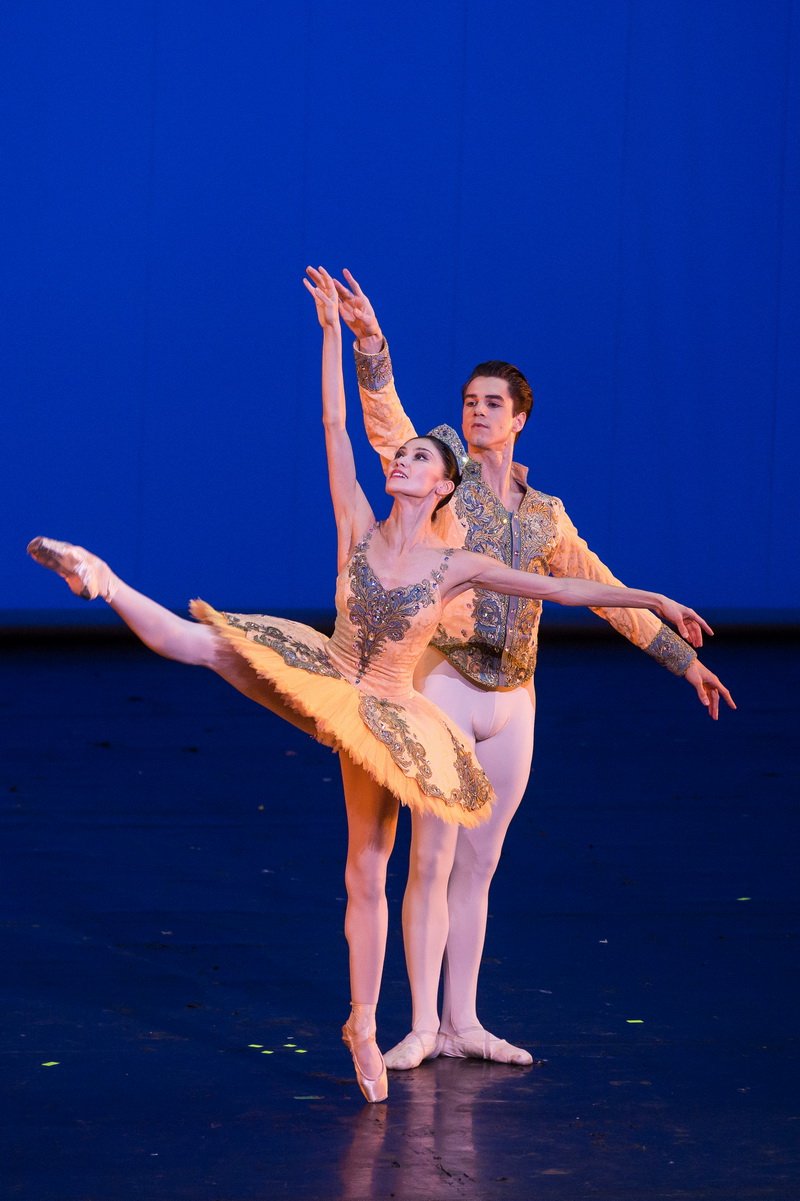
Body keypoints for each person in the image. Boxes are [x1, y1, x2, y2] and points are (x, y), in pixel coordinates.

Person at [28, 268, 713, 1103]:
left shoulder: (477, 550)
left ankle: (383, 1021)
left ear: (450, 476)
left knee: (380, 867)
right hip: (342, 677)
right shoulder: (363, 515)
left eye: (425, 453)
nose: (411, 454)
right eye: (417, 443)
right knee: (205, 645)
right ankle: (101, 579)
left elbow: (572, 588)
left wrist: (658, 604)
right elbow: (342, 424)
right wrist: (338, 336)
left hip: (398, 711)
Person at [329, 267, 736, 1071]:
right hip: (444, 683)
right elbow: (387, 427)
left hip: (515, 698)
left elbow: (598, 589)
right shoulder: (445, 489)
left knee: (480, 866)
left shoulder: (546, 515)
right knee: (432, 860)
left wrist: (683, 659)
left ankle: (464, 1021)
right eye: (469, 400)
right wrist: (370, 342)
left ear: (519, 419)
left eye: (492, 403)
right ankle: (419, 1025)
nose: (476, 411)